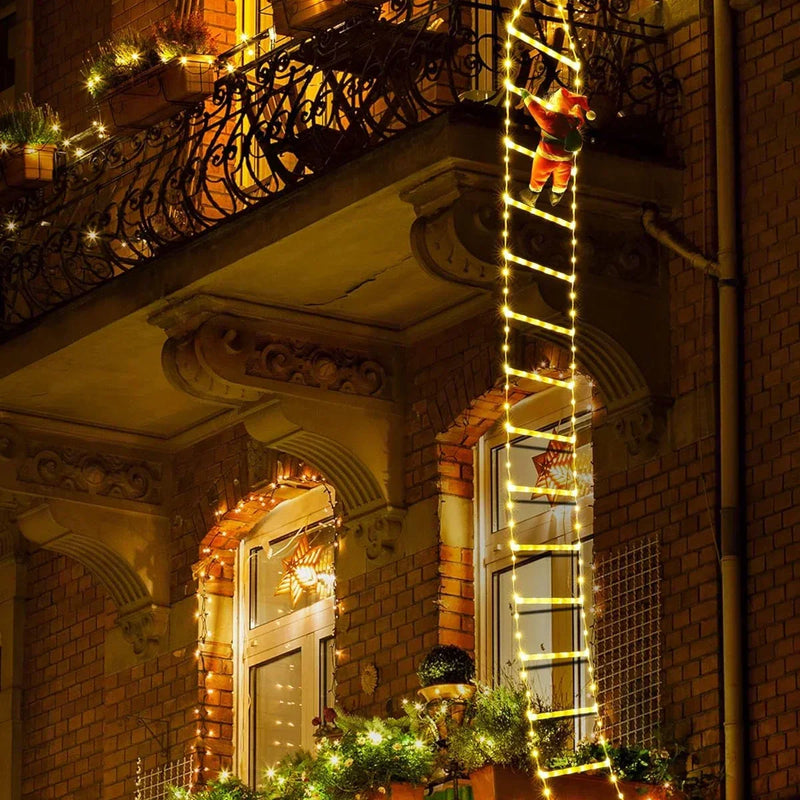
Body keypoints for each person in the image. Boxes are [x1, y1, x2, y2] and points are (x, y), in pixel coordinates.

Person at [518, 86, 595, 208]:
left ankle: (532, 194)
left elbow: (537, 113)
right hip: (566, 159)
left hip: (547, 155)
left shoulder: (553, 119)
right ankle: (556, 195)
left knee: (539, 174)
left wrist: (527, 97)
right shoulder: (575, 123)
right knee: (562, 178)